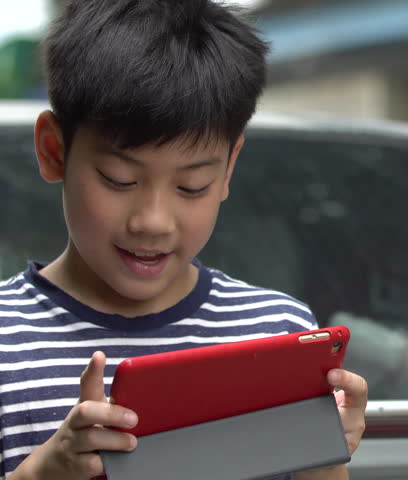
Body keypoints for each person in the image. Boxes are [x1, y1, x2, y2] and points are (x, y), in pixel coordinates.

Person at [0, 0, 367, 479]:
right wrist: (43, 473)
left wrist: (324, 450)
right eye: (118, 179)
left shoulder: (279, 333)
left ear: (229, 168)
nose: (154, 221)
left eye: (191, 187)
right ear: (53, 151)